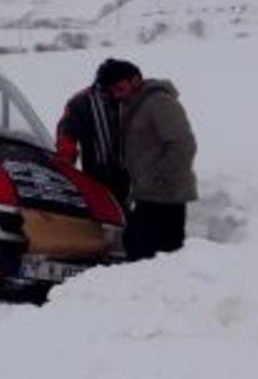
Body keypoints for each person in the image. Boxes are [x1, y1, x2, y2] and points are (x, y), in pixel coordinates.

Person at [98, 58, 198, 261]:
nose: (116, 95)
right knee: (140, 251)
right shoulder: (135, 104)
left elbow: (183, 144)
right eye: (112, 91)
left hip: (166, 197)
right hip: (149, 194)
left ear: (135, 80)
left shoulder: (159, 102)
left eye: (119, 88)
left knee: (157, 255)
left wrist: (160, 179)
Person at [56, 64, 129, 205]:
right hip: (96, 173)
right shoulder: (80, 102)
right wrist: (66, 164)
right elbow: (66, 135)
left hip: (131, 172)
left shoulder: (128, 96)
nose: (114, 94)